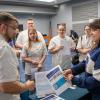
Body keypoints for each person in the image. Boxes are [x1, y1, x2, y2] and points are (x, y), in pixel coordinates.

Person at [0, 12, 34, 100]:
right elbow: (7, 86)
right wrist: (26, 86)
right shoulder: (5, 48)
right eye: (14, 28)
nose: (16, 32)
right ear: (3, 27)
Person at [64, 18, 100, 100]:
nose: (90, 33)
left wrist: (74, 80)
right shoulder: (95, 46)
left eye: (93, 30)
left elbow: (95, 80)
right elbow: (86, 62)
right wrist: (72, 70)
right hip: (93, 91)